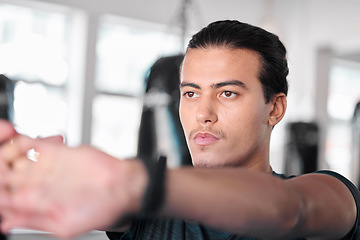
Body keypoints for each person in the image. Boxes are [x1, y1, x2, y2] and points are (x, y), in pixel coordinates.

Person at [0, 20, 359, 240]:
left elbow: (290, 210)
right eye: (190, 93)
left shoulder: (331, 194)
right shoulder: (144, 214)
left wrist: (133, 182)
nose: (203, 113)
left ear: (275, 107)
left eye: (227, 92)